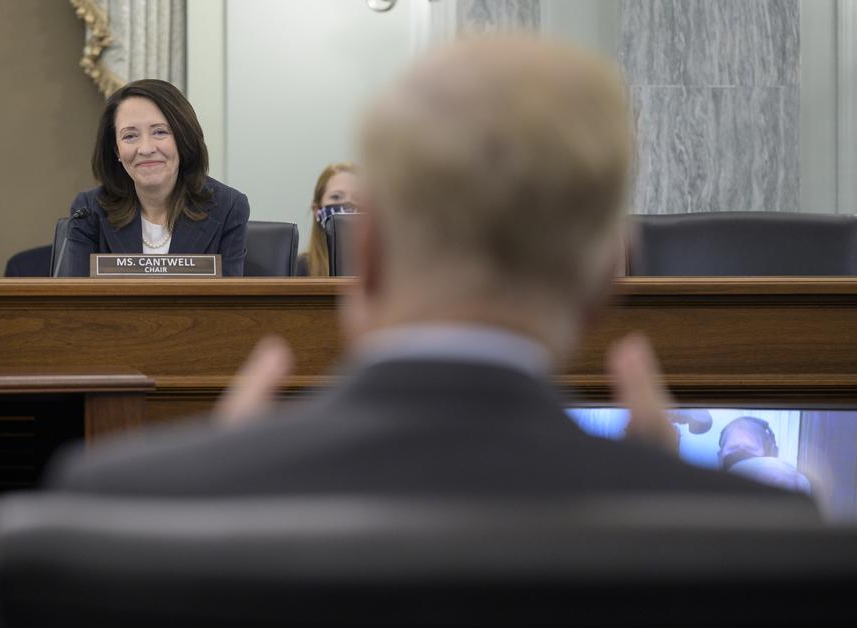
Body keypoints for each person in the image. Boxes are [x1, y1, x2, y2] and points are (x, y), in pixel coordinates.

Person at [42, 36, 811, 505]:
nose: (143, 146)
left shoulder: (118, 500)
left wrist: (211, 493)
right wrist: (662, 519)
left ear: (364, 257)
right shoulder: (765, 538)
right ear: (608, 275)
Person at [56, 79, 249, 277]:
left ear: (183, 139)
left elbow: (228, 303)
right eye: (130, 136)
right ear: (116, 150)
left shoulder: (228, 207)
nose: (146, 149)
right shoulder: (89, 210)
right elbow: (78, 303)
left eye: (160, 132)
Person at [297, 162, 362, 276]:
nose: (348, 204)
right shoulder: (296, 269)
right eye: (336, 197)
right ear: (317, 210)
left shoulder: (386, 270)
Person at [718, 416, 812, 493]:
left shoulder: (790, 483)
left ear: (771, 452)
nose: (741, 453)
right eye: (733, 448)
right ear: (720, 455)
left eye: (750, 448)